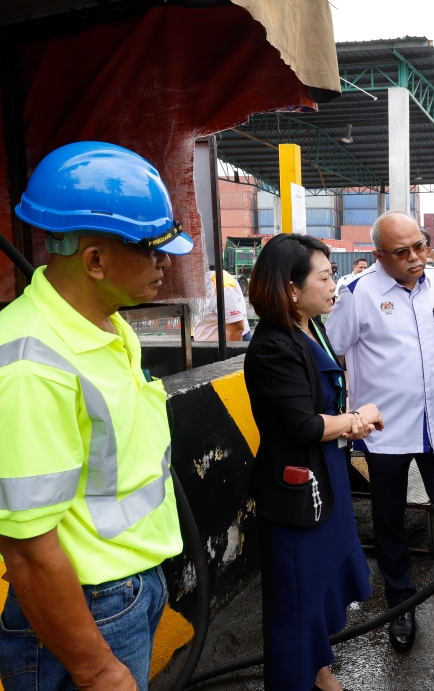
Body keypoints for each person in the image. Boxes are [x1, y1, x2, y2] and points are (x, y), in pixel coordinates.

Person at [0, 142, 195, 691]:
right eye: (153, 251)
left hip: (130, 588)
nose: (166, 264)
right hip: (89, 609)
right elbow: (28, 550)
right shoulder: (30, 366)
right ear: (94, 260)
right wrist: (95, 667)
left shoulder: (109, 323)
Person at [326, 211, 434, 651]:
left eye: (421, 246)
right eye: (402, 251)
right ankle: (400, 604)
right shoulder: (355, 293)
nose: (416, 257)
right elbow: (335, 352)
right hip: (383, 432)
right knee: (389, 521)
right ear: (378, 255)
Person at [244, 233, 384, 691]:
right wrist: (355, 419)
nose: (334, 286)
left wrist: (346, 422)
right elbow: (304, 426)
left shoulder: (311, 326)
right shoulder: (272, 347)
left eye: (333, 275)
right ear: (290, 288)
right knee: (295, 602)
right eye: (325, 277)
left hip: (326, 479)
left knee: (319, 591)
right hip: (297, 493)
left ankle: (320, 672)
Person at [192, 265, 250, 342]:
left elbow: (236, 329)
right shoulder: (193, 283)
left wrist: (230, 354)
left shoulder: (222, 284)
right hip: (206, 346)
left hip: (227, 347)